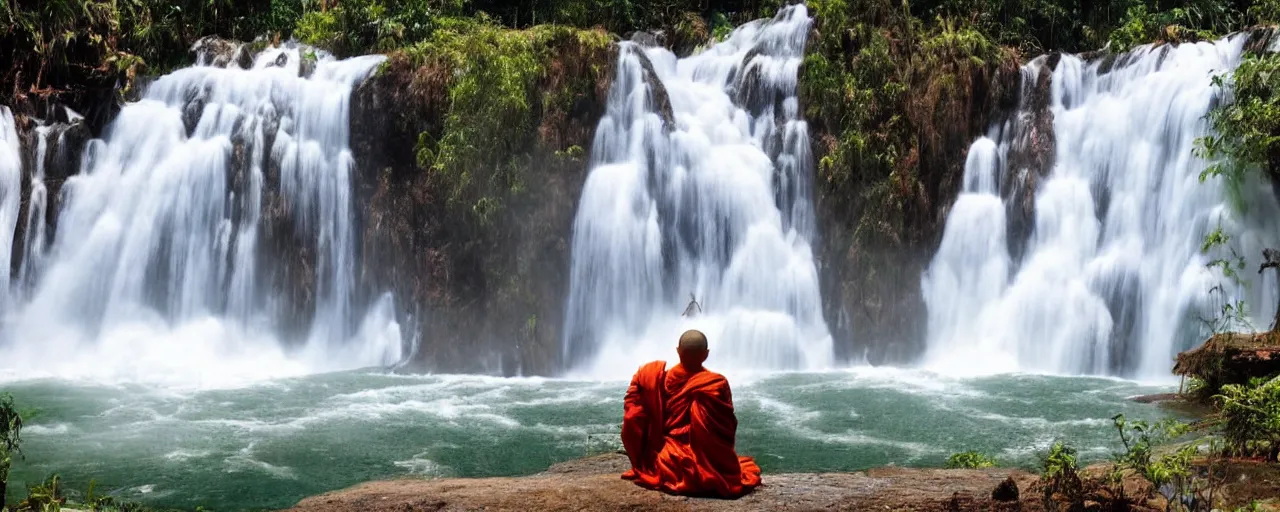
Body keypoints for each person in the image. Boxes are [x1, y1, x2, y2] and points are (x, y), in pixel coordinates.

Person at [620, 329, 762, 498]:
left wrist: (640, 457)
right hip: (705, 460)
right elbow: (725, 430)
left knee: (669, 464)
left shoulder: (655, 378)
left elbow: (633, 418)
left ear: (678, 351)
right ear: (706, 354)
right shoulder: (715, 384)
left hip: (669, 457)